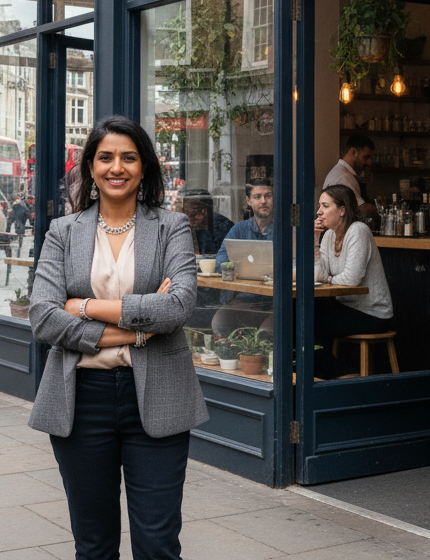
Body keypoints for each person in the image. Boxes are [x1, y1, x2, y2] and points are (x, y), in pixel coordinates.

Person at [28, 115, 207, 560]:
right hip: (81, 399)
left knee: (159, 546)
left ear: (144, 167)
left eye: (129, 157)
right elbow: (43, 318)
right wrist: (140, 331)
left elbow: (178, 307)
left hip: (159, 396)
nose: (117, 167)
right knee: (94, 546)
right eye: (105, 157)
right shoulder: (62, 233)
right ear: (90, 167)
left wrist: (85, 306)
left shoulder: (172, 227)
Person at [312, 185, 393, 379]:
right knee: (300, 315)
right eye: (319, 205)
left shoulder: (359, 230)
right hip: (346, 307)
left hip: (372, 313)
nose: (319, 211)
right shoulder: (329, 235)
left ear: (342, 210)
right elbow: (317, 276)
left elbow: (351, 279)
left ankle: (342, 375)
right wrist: (315, 240)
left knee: (308, 323)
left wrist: (328, 279)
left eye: (325, 205)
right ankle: (327, 377)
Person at [212, 179, 275, 338]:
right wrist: (241, 268)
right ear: (248, 201)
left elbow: (295, 264)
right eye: (257, 197)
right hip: (246, 299)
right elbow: (220, 263)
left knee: (267, 333)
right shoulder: (239, 229)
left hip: (277, 301)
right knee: (220, 323)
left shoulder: (285, 229)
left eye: (268, 196)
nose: (263, 201)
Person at [323, 134, 377, 218]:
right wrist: (375, 208)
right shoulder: (344, 177)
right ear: (353, 152)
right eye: (366, 157)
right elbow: (362, 211)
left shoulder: (340, 172)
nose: (369, 162)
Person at [180, 188, 233, 256]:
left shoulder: (222, 226)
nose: (190, 220)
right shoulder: (195, 226)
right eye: (186, 214)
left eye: (192, 215)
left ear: (204, 211)